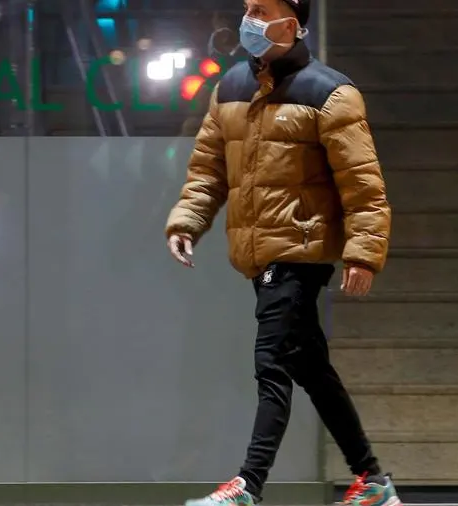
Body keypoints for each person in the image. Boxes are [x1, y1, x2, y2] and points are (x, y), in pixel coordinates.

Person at [163, 1, 398, 506]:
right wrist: (188, 220)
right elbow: (208, 169)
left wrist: (363, 250)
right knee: (308, 365)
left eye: (261, 9)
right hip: (259, 251)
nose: (248, 18)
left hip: (300, 249)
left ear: (290, 22)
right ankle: (373, 481)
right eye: (247, 7)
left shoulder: (330, 93)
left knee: (271, 360)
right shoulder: (231, 88)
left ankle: (248, 485)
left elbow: (363, 185)